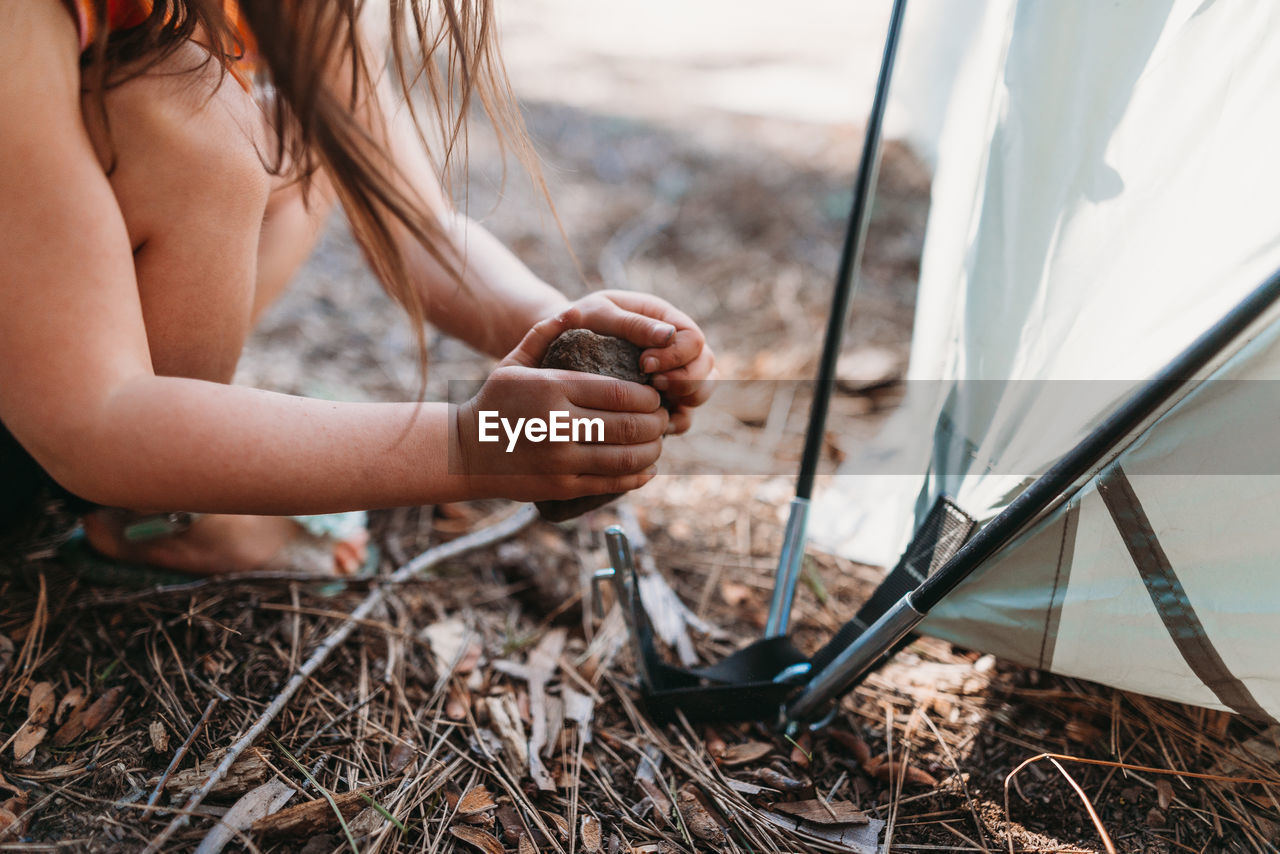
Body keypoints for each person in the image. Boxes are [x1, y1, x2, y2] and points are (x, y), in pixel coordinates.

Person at [0, 0, 715, 577]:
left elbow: (413, 223)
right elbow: (97, 416)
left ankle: (148, 503)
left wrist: (558, 327)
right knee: (192, 112)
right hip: (68, 426)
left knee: (298, 140)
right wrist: (471, 447)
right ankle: (163, 506)